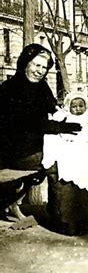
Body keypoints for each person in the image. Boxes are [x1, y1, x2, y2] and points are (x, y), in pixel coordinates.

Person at [0, 43, 81, 223]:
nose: (40, 71)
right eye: (36, 65)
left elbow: (54, 110)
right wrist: (63, 127)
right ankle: (61, 216)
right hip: (15, 151)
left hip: (36, 144)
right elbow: (30, 123)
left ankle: (76, 212)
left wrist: (73, 120)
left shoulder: (42, 87)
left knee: (77, 154)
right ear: (25, 63)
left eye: (44, 67)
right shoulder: (10, 88)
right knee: (58, 162)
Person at [42, 92, 88, 235]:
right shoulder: (63, 117)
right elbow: (56, 132)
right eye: (73, 106)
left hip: (87, 148)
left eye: (81, 105)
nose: (77, 109)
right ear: (68, 107)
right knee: (68, 168)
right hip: (70, 147)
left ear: (86, 106)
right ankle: (70, 222)